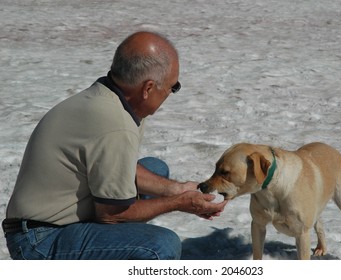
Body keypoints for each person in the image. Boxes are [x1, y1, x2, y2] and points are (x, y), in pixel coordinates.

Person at [2, 31, 228, 260]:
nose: (171, 93)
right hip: (40, 239)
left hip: (53, 218)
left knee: (155, 168)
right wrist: (179, 202)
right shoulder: (114, 125)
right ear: (148, 88)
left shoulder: (109, 97)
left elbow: (118, 165)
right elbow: (112, 215)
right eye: (173, 87)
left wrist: (175, 189)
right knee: (161, 245)